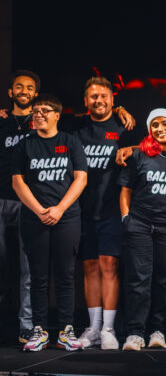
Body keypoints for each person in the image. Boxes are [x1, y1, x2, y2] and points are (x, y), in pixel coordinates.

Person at [11, 94, 88, 352]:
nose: (39, 114)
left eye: (45, 110)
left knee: (66, 276)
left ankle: (66, 330)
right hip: (35, 219)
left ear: (57, 115)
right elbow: (17, 182)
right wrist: (40, 210)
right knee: (38, 277)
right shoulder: (25, 145)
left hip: (67, 217)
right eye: (36, 110)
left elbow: (80, 179)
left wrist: (59, 209)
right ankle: (39, 330)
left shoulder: (70, 142)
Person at [69, 76, 139, 350]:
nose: (99, 100)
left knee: (109, 266)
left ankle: (109, 329)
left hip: (112, 209)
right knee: (89, 268)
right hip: (82, 211)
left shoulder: (124, 127)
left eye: (104, 96)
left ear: (113, 99)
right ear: (86, 101)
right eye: (93, 96)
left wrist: (131, 148)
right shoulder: (76, 128)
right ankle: (94, 328)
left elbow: (148, 149)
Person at [118, 109, 166, 351]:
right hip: (140, 224)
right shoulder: (140, 156)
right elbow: (126, 190)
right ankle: (135, 332)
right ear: (149, 129)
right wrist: (127, 218)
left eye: (165, 124)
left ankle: (158, 330)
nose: (160, 129)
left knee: (163, 279)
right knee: (139, 279)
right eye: (155, 125)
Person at [0, 70, 37, 344]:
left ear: (35, 94)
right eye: (19, 87)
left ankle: (26, 327)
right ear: (11, 92)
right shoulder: (1, 122)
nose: (24, 90)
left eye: (30, 87)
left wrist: (118, 107)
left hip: (28, 203)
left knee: (27, 270)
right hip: (0, 199)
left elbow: (80, 118)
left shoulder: (42, 122)